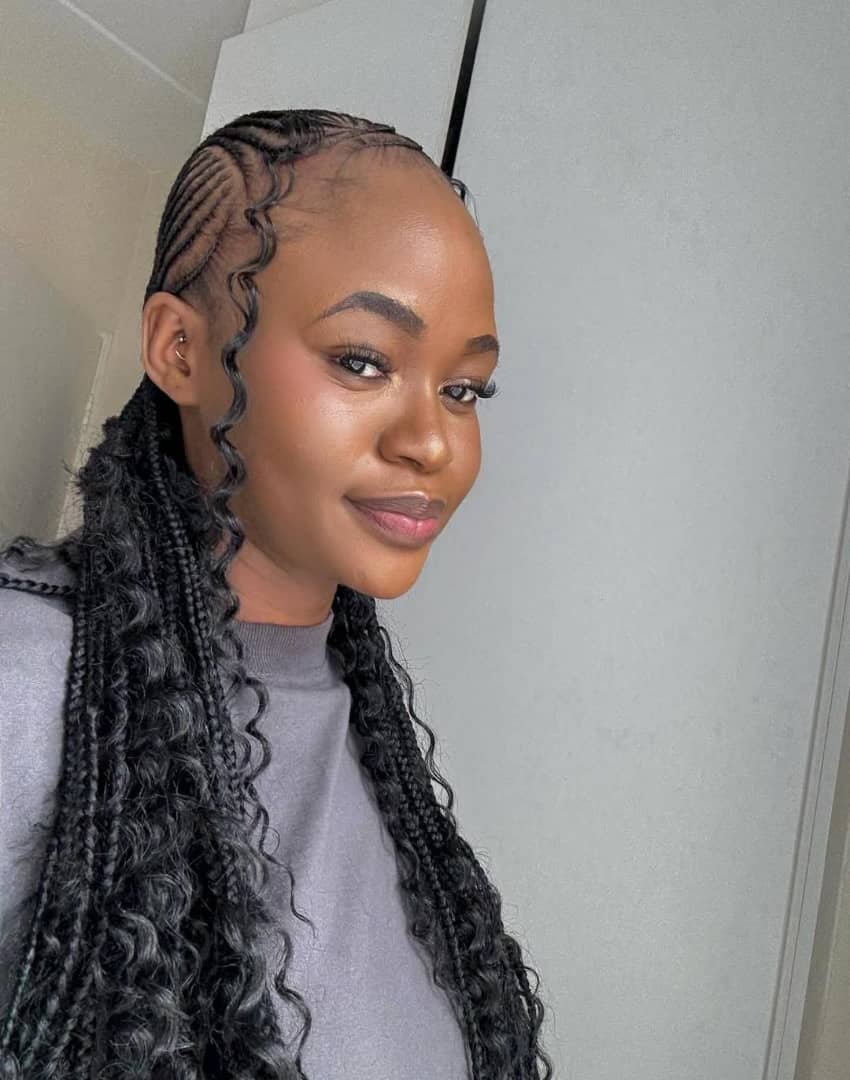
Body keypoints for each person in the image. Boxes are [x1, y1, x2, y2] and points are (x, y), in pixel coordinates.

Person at [0, 109, 552, 1080]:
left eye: (465, 389)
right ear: (180, 350)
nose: (432, 442)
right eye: (362, 360)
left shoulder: (376, 753)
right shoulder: (28, 677)